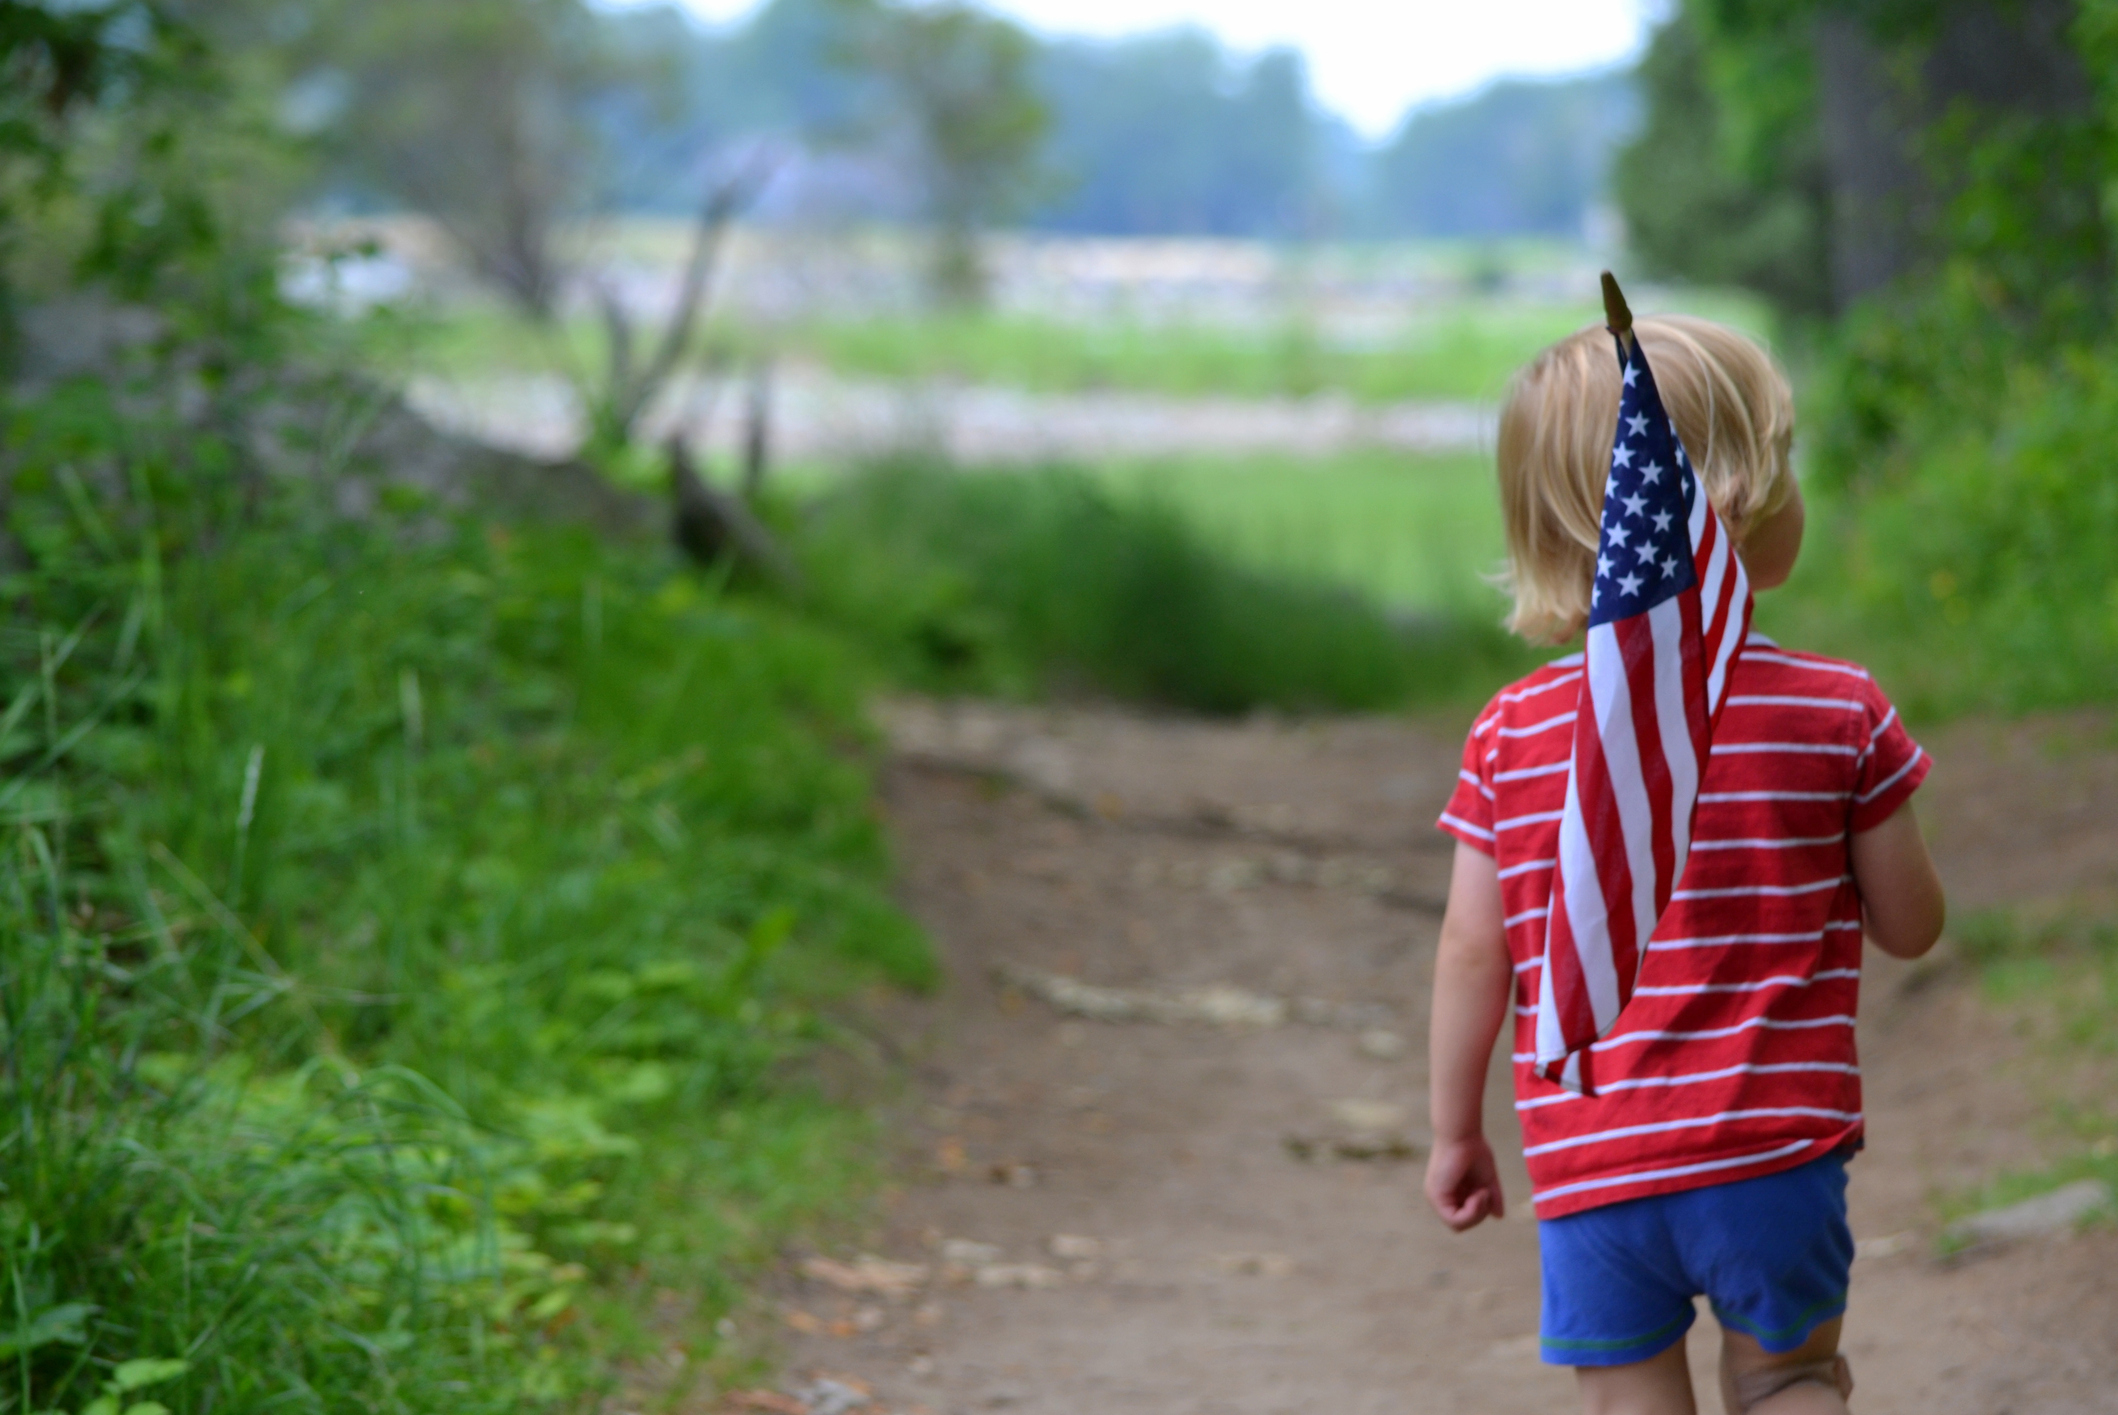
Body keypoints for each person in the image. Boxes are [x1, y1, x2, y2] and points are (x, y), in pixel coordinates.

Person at [1423, 315, 1946, 1414]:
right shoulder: (1836, 709)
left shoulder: (1510, 734)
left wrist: (1456, 1126)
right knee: (1791, 1373)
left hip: (1591, 1157)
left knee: (1630, 1397)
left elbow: (1478, 948)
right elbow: (1911, 923)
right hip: (1773, 1146)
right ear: (1743, 504)